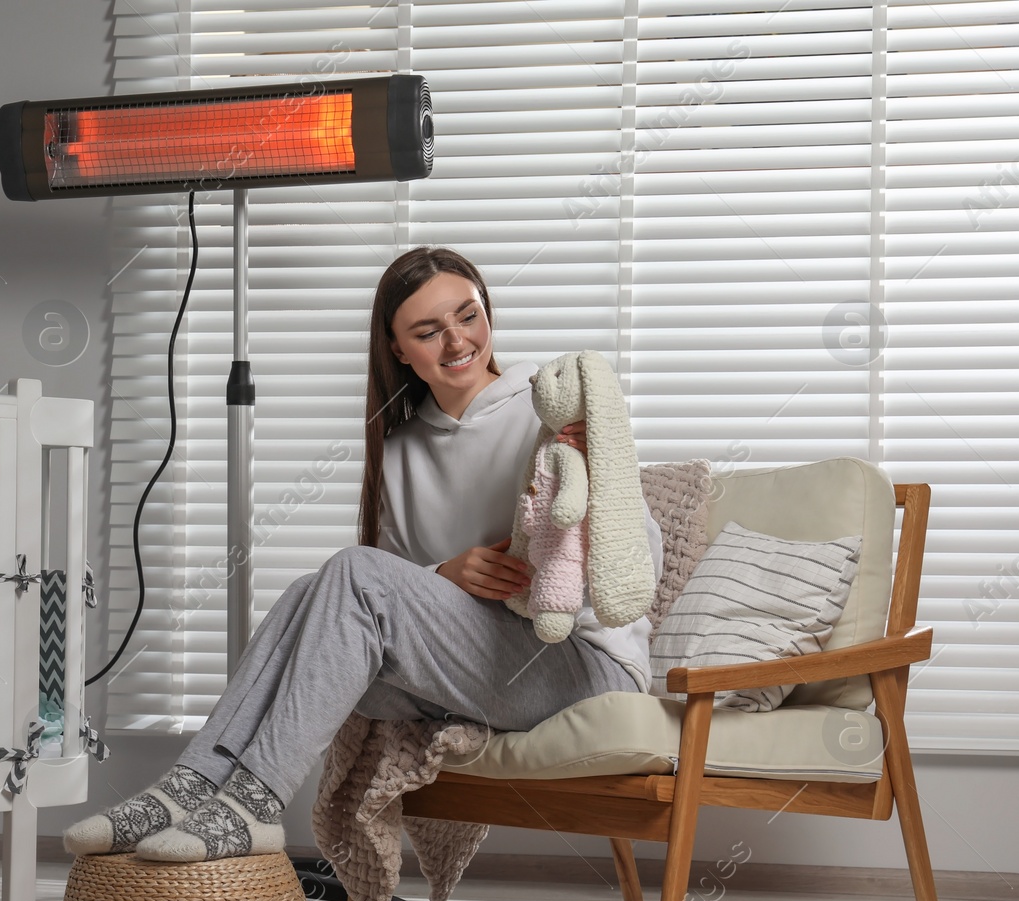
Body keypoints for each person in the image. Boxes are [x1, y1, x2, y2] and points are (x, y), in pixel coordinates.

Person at [64, 247, 661, 863]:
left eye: (468, 316)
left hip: (581, 666)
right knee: (309, 595)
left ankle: (254, 802)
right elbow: (391, 598)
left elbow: (639, 567)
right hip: (474, 667)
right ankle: (186, 787)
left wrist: (595, 475)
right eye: (428, 332)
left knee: (347, 574)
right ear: (400, 349)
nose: (457, 341)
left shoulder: (553, 413)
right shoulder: (400, 451)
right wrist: (444, 575)